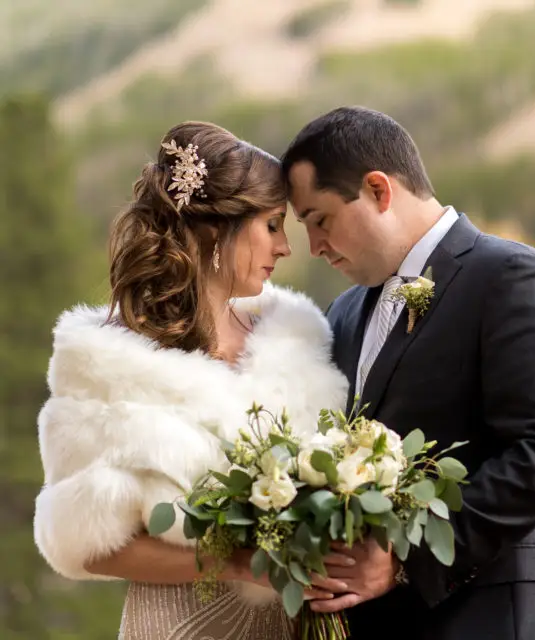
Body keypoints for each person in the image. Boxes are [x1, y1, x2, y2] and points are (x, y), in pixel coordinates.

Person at [281, 106, 535, 640]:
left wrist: (407, 554)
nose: (314, 246)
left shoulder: (512, 279)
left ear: (379, 190)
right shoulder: (343, 313)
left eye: (320, 219)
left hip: (497, 622)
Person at [32, 121, 350, 640]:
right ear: (213, 232)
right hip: (180, 623)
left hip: (296, 621)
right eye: (271, 225)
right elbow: (88, 544)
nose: (286, 247)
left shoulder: (296, 341)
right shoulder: (108, 362)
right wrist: (235, 563)